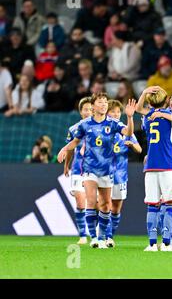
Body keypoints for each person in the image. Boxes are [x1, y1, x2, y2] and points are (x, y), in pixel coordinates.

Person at [57, 93, 137, 249]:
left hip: (107, 170)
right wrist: (64, 149)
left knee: (106, 205)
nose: (104, 105)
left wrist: (130, 117)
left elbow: (128, 133)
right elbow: (75, 141)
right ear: (93, 106)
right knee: (92, 201)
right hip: (89, 169)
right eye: (100, 102)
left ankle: (102, 238)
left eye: (105, 102)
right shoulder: (85, 124)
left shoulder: (113, 123)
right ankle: (93, 237)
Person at [135, 87, 172, 252]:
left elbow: (138, 109)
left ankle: (152, 244)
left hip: (150, 166)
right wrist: (163, 114)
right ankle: (168, 243)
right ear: (166, 100)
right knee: (170, 204)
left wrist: (144, 92)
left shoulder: (148, 117)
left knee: (152, 205)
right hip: (168, 165)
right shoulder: (171, 118)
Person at [105, 99, 142, 247]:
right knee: (104, 205)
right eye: (112, 111)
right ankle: (105, 236)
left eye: (117, 111)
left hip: (120, 175)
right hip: (104, 173)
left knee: (116, 208)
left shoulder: (125, 131)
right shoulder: (104, 130)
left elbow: (139, 150)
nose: (115, 114)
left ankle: (110, 235)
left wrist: (133, 145)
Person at [63, 97, 93, 245]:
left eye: (90, 109)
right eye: (85, 109)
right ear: (81, 112)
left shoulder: (99, 127)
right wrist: (66, 165)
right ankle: (82, 235)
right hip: (78, 169)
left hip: (96, 170)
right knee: (81, 203)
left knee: (98, 204)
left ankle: (98, 235)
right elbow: (70, 149)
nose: (88, 112)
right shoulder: (73, 129)